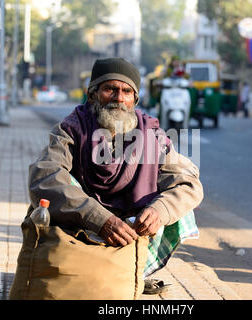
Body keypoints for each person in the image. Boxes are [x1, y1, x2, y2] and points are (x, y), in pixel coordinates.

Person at [27, 57, 204, 294]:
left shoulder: (150, 133)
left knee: (177, 206)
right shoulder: (71, 128)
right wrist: (99, 218)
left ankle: (136, 270)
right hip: (82, 226)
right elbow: (44, 177)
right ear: (93, 95)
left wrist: (159, 211)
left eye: (127, 92)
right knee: (54, 187)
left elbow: (189, 183)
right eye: (110, 89)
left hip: (132, 229)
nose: (119, 98)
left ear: (134, 100)